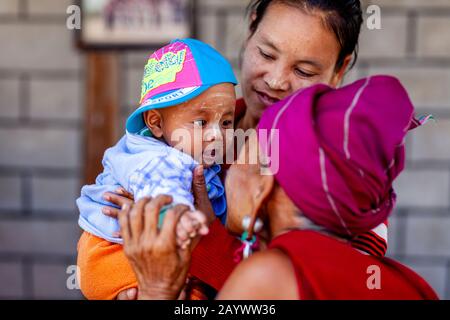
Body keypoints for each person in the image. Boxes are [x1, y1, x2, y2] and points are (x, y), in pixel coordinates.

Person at [77, 0, 390, 299]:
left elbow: (329, 291)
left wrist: (201, 243)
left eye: (304, 71)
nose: (277, 80)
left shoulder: (346, 172)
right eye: (267, 55)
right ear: (251, 28)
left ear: (340, 68)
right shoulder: (177, 135)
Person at [117, 75, 438, 300]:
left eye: (242, 153)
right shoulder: (412, 285)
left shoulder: (268, 276)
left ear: (262, 184)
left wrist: (157, 290)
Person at [76, 38, 237, 285]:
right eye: (201, 123)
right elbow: (163, 187)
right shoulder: (159, 158)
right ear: (156, 123)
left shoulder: (187, 149)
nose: (217, 134)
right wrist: (180, 216)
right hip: (111, 253)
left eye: (226, 122)